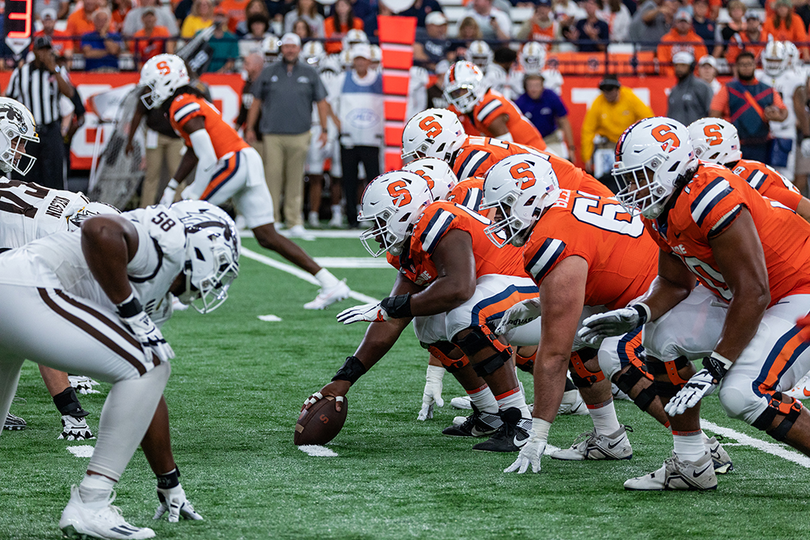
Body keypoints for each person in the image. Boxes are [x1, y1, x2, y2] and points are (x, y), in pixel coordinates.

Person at [580, 116, 810, 489]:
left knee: (742, 394)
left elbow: (754, 291)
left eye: (640, 176)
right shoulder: (664, 207)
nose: (632, 187)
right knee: (659, 334)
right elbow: (674, 283)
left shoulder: (709, 195)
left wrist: (717, 365)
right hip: (746, 294)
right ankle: (692, 463)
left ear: (670, 166)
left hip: (797, 290)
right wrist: (638, 312)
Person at [0, 188, 237, 536]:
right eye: (219, 267)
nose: (214, 283)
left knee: (148, 367)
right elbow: (99, 230)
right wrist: (130, 310)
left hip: (13, 293)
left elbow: (145, 397)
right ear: (201, 247)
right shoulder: (163, 240)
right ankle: (91, 504)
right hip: (25, 288)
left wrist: (169, 480)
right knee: (152, 363)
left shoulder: (159, 293)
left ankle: (101, 502)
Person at [482, 155, 729, 475]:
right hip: (640, 284)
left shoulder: (550, 237)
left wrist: (537, 433)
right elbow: (597, 268)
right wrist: (540, 303)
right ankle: (609, 436)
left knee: (616, 355)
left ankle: (701, 447)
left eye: (502, 208)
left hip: (662, 288)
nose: (496, 218)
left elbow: (553, 354)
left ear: (529, 200)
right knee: (582, 335)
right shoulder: (557, 212)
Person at [305, 171, 537, 452]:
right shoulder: (413, 245)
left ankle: (520, 421)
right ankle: (489, 413)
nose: (376, 233)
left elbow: (459, 287)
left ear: (402, 214)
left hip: (534, 299)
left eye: (379, 221)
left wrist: (391, 307)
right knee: (427, 323)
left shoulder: (438, 219)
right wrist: (343, 379)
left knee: (463, 312)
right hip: (506, 303)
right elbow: (390, 320)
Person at [142, 54, 351, 310]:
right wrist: (173, 186)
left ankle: (181, 293)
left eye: (152, 84)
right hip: (242, 159)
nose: (149, 91)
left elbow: (207, 155)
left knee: (184, 219)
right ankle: (330, 283)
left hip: (232, 161)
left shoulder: (181, 104)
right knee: (266, 235)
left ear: (168, 81)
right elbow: (195, 150)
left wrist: (193, 194)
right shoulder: (185, 102)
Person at [401, 109, 611, 198]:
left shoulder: (470, 161)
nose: (417, 161)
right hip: (560, 186)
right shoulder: (465, 150)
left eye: (420, 153)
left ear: (437, 145)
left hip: (570, 190)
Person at [246, 33, 332, 238]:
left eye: (293, 47)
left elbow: (321, 102)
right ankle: (271, 219)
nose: (290, 50)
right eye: (286, 47)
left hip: (300, 133)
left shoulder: (310, 73)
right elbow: (256, 101)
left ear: (299, 49)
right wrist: (250, 127)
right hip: (272, 134)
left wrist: (325, 129)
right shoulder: (268, 72)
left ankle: (294, 221)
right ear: (281, 49)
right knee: (272, 178)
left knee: (296, 179)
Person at [688, 118, 810, 222]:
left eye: (694, 152)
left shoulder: (747, 176)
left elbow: (806, 211)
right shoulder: (730, 174)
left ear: (713, 154)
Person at [5, 36, 82, 192]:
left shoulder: (58, 72)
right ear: (34, 51)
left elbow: (69, 93)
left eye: (47, 50)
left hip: (51, 129)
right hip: (27, 133)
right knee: (24, 177)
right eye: (41, 50)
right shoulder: (21, 73)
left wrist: (54, 69)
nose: (44, 54)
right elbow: (9, 101)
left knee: (54, 178)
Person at [331, 43, 383, 229]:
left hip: (372, 139)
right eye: (357, 59)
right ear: (353, 61)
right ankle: (351, 219)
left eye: (364, 59)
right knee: (349, 180)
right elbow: (330, 102)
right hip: (349, 138)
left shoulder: (379, 80)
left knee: (374, 181)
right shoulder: (342, 79)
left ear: (369, 61)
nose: (361, 63)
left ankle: (375, 218)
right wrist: (338, 124)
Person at [444, 61, 547, 151]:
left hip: (536, 154)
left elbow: (507, 148)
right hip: (527, 153)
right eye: (455, 93)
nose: (460, 96)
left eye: (463, 90)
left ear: (476, 86)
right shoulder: (481, 101)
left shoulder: (487, 107)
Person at [709, 51, 788, 164]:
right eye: (742, 64)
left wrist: (775, 115)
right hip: (736, 145)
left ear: (755, 66)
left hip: (762, 144)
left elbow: (783, 113)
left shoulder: (768, 90)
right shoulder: (727, 88)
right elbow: (714, 115)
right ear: (736, 67)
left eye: (749, 64)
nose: (746, 67)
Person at [580, 75, 653, 180]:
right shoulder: (598, 102)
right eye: (605, 92)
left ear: (618, 89)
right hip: (607, 145)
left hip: (627, 143)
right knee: (604, 178)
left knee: (629, 177)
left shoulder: (630, 97)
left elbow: (647, 118)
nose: (608, 95)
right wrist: (587, 157)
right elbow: (588, 130)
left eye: (610, 91)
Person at [756, 40, 810, 180]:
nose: (773, 64)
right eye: (770, 60)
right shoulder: (757, 77)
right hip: (760, 132)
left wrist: (806, 135)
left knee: (784, 177)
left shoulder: (794, 79)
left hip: (785, 131)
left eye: (777, 60)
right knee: (759, 175)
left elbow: (800, 108)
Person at [514, 73, 576, 159]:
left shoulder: (551, 97)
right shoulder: (520, 102)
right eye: (530, 86)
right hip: (530, 142)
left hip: (551, 138)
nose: (534, 89)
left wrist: (571, 147)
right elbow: (516, 127)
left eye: (537, 85)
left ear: (542, 86)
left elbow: (564, 121)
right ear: (525, 87)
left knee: (562, 163)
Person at [666, 51, 713, 126]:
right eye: (676, 65)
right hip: (679, 134)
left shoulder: (702, 87)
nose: (679, 68)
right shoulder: (673, 91)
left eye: (683, 65)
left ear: (691, 67)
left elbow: (712, 112)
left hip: (697, 134)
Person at [657, 10, 709, 76]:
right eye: (680, 22)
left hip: (692, 77)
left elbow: (701, 62)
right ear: (675, 23)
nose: (683, 25)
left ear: (690, 24)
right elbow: (662, 63)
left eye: (685, 22)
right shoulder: (665, 40)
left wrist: (692, 77)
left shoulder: (698, 41)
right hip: (671, 77)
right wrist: (673, 75)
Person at [205, 6, 239, 73]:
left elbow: (232, 60)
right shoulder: (202, 35)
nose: (219, 19)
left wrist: (220, 72)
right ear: (212, 17)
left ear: (227, 19)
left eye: (222, 17)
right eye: (216, 16)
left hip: (223, 74)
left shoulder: (232, 38)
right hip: (203, 73)